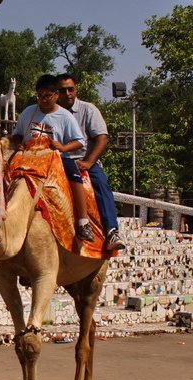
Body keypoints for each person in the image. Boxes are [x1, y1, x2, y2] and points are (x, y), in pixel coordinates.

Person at [11, 74, 94, 242]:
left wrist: (63, 147)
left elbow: (79, 141)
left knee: (75, 176)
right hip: (28, 156)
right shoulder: (28, 112)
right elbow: (17, 134)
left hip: (55, 157)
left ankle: (83, 222)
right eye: (39, 95)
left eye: (47, 95)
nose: (43, 99)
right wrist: (18, 143)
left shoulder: (65, 116)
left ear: (56, 95)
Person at [56, 73, 126, 250]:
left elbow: (101, 138)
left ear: (76, 89)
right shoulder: (50, 113)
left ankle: (111, 230)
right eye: (63, 90)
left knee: (100, 184)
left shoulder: (88, 110)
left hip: (82, 161)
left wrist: (88, 162)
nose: (67, 94)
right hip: (55, 161)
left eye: (70, 89)